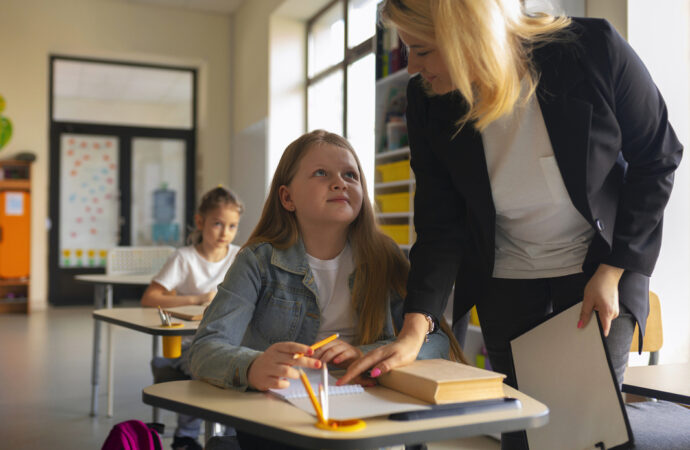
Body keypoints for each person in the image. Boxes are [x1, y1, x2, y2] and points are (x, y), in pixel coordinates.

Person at [342, 1, 682, 447]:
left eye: (422, 51)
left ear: (468, 36)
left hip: (598, 272)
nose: (412, 68)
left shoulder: (593, 50)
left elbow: (657, 158)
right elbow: (440, 222)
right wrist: (415, 326)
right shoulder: (427, 100)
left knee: (584, 435)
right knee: (522, 435)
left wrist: (614, 270)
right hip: (506, 279)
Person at [188, 130, 460, 450]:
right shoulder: (257, 261)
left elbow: (437, 341)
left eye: (350, 175)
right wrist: (252, 366)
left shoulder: (385, 258)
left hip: (368, 420)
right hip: (280, 425)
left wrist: (370, 353)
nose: (339, 182)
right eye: (321, 173)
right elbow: (204, 349)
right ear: (287, 198)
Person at [141, 186, 243, 450]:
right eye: (218, 224)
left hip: (231, 342)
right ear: (200, 222)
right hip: (191, 345)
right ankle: (186, 436)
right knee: (208, 371)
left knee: (243, 371)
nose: (225, 233)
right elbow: (151, 298)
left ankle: (231, 436)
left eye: (232, 226)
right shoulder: (183, 258)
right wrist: (196, 299)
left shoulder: (240, 256)